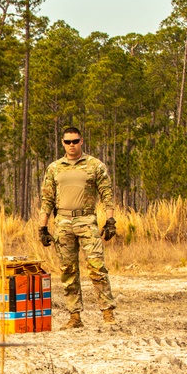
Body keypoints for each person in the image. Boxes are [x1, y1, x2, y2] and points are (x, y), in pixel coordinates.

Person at [38, 126, 117, 329]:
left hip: (87, 220)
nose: (71, 145)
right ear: (62, 143)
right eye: (67, 142)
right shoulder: (54, 168)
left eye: (75, 141)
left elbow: (107, 194)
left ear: (81, 141)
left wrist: (110, 221)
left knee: (97, 267)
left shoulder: (94, 165)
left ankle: (107, 313)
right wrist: (43, 227)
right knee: (68, 270)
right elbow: (47, 198)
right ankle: (74, 317)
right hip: (63, 222)